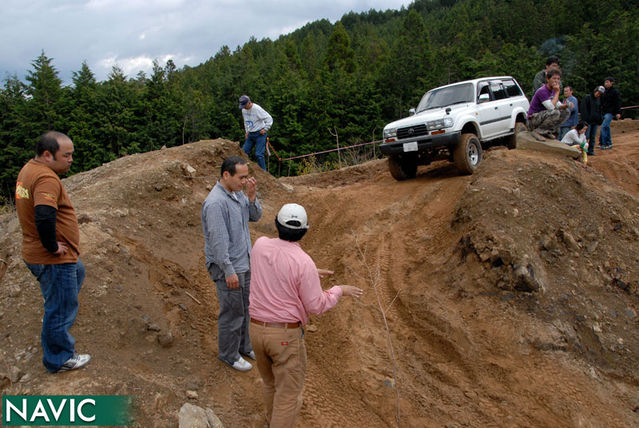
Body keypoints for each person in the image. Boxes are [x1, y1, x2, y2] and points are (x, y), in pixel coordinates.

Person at [248, 203, 364, 428]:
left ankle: (270, 421)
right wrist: (339, 289)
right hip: (284, 336)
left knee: (270, 383)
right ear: (304, 231)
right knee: (288, 395)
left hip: (255, 330)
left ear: (276, 225)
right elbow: (316, 305)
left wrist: (309, 274)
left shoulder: (260, 246)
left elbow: (276, 267)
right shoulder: (304, 263)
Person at [15, 131, 91, 373]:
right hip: (52, 258)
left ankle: (54, 322)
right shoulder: (46, 179)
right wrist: (52, 246)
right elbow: (44, 215)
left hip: (43, 254)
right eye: (66, 155)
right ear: (48, 155)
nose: (70, 159)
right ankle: (59, 359)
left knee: (77, 274)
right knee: (60, 306)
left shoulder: (30, 169)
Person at [201, 156, 263, 371]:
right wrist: (228, 270)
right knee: (232, 312)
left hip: (243, 262)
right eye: (241, 177)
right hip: (229, 268)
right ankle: (229, 354)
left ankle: (244, 346)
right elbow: (218, 243)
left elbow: (254, 217)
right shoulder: (216, 203)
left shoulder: (237, 195)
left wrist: (252, 197)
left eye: (246, 177)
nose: (245, 181)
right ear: (226, 175)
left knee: (245, 308)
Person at [527, 69, 572, 139]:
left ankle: (547, 131)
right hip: (533, 119)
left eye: (558, 79)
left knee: (566, 112)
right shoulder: (542, 91)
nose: (556, 81)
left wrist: (566, 105)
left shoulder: (553, 90)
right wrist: (557, 92)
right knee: (555, 112)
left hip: (543, 117)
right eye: (554, 78)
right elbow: (551, 108)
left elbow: (558, 105)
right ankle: (538, 131)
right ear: (548, 79)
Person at [239, 95, 273, 171]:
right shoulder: (243, 110)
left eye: (244, 105)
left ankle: (264, 173)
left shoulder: (257, 109)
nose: (244, 107)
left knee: (259, 154)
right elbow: (245, 121)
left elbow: (269, 118)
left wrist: (266, 129)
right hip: (251, 134)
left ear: (249, 103)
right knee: (243, 152)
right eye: (242, 106)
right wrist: (247, 131)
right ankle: (242, 170)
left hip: (260, 134)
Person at [581, 86, 605, 156]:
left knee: (593, 137)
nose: (598, 94)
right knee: (586, 136)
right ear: (595, 91)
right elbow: (583, 109)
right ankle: (583, 150)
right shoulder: (587, 98)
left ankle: (590, 150)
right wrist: (585, 119)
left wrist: (600, 119)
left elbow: (600, 110)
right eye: (598, 92)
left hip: (595, 121)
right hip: (588, 121)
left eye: (600, 94)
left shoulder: (599, 100)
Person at [599, 76, 621, 150]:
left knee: (604, 126)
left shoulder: (615, 91)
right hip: (604, 111)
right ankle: (603, 142)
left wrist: (618, 112)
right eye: (605, 82)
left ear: (611, 83)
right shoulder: (604, 91)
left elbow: (617, 102)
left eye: (607, 82)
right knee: (605, 127)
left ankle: (606, 143)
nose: (606, 83)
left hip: (610, 112)